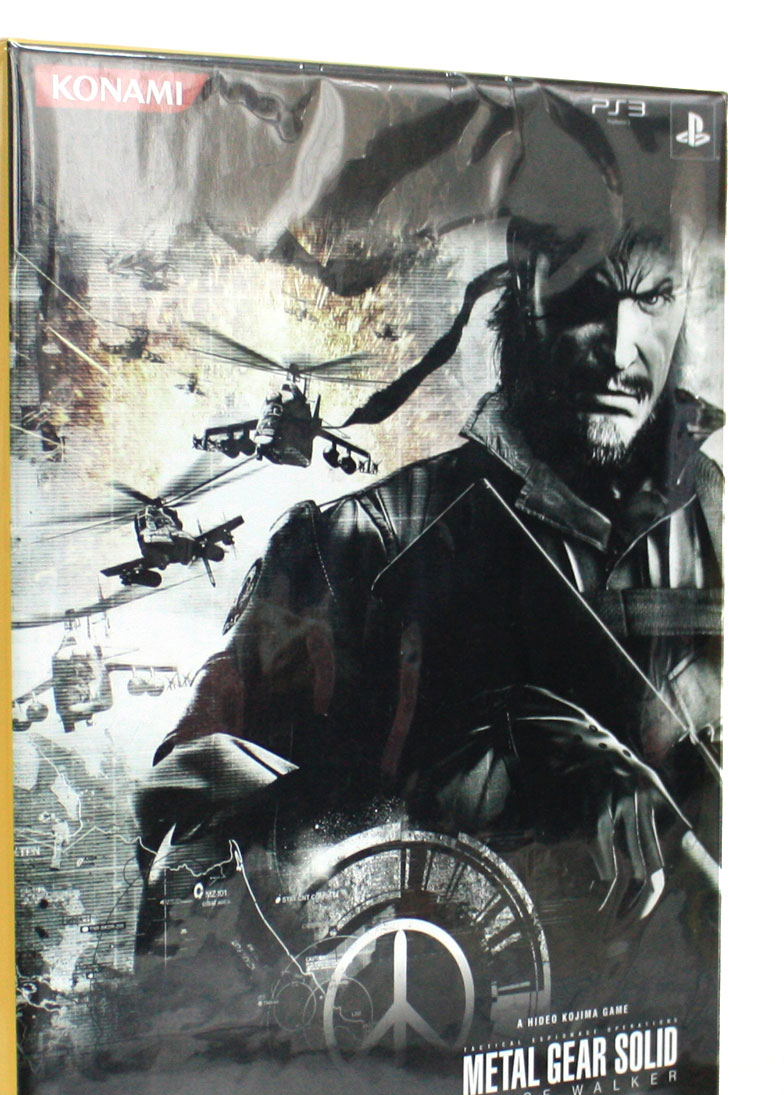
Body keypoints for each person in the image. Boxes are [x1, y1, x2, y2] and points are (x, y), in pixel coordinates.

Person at [136, 219, 723, 941]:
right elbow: (185, 823)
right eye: (584, 298)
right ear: (525, 288)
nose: (621, 349)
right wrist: (495, 764)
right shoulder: (361, 545)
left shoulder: (734, 527)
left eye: (653, 298)